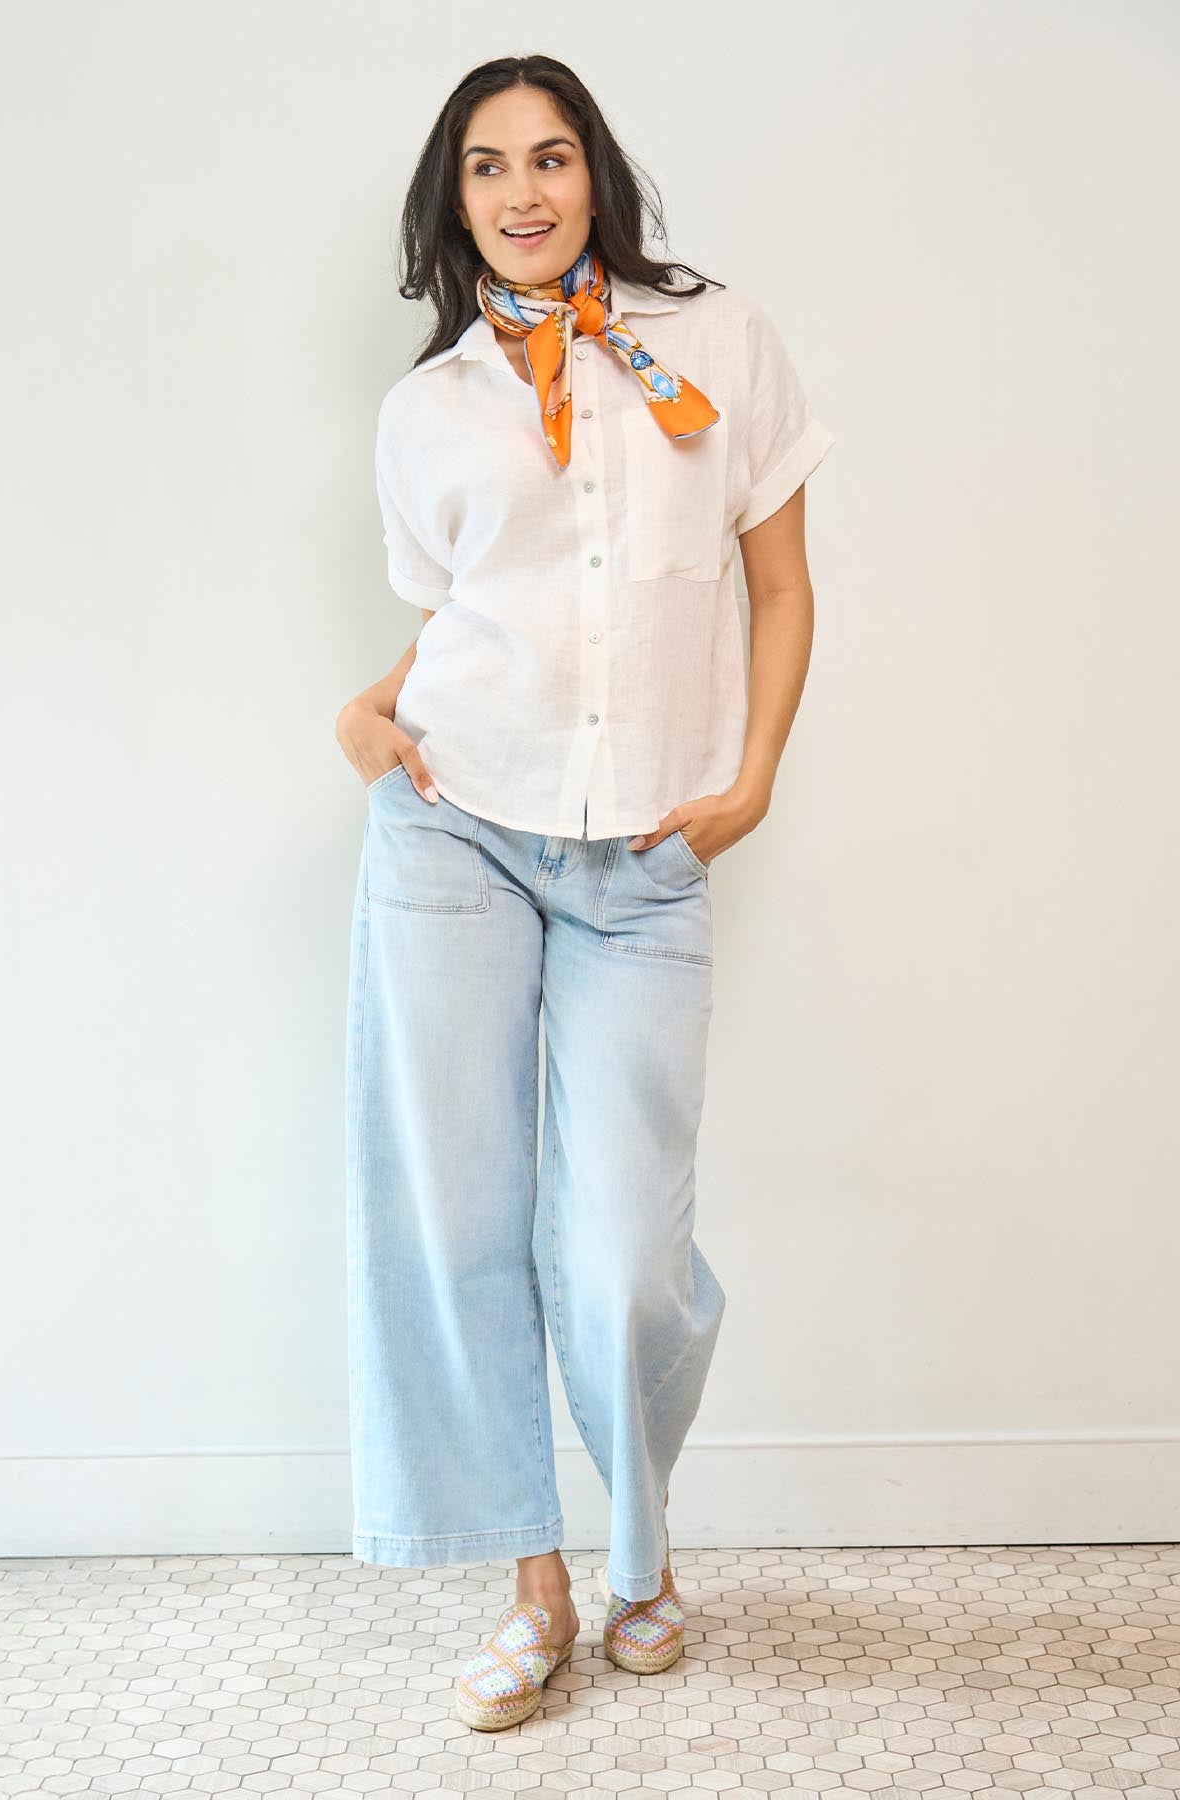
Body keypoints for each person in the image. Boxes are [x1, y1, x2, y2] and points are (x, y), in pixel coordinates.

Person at [335, 54, 835, 1731]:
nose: (523, 193)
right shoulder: (428, 409)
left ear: (595, 175)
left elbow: (782, 585)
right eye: (487, 168)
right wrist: (367, 710)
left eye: (549, 158)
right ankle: (535, 1583)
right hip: (451, 832)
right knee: (454, 1215)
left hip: (643, 861)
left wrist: (753, 781)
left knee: (623, 1250)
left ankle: (643, 1534)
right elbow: (475, 622)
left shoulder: (719, 345)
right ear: (455, 201)